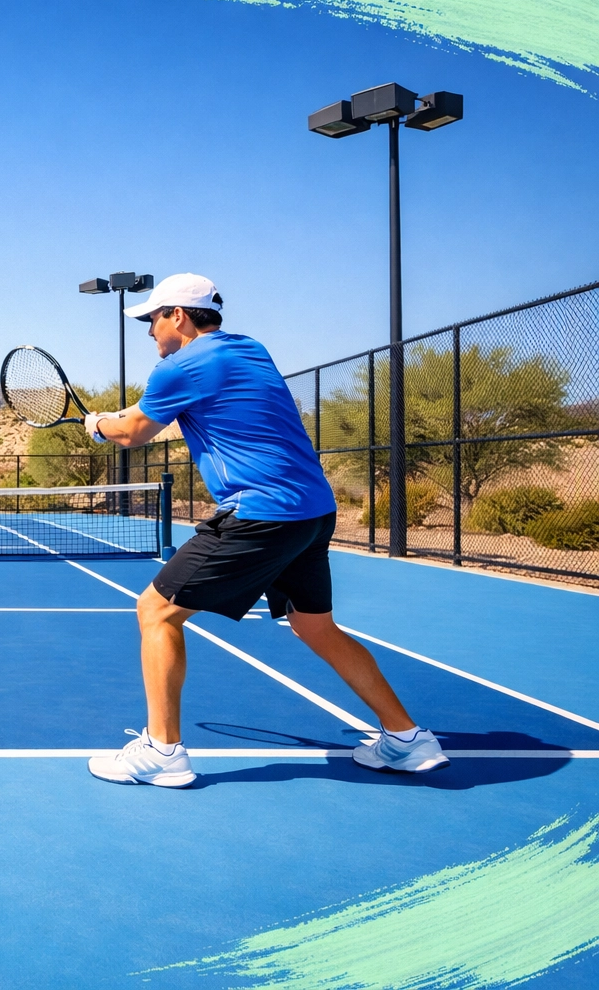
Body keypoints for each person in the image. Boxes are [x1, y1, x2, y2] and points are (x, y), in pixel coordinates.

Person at [80, 274, 447, 788]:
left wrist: (98, 424)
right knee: (315, 626)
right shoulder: (250, 350)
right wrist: (116, 417)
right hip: (313, 510)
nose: (148, 331)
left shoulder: (178, 367)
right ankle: (408, 739)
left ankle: (162, 751)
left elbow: (134, 433)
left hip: (260, 511)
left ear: (178, 316)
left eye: (152, 318)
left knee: (156, 611)